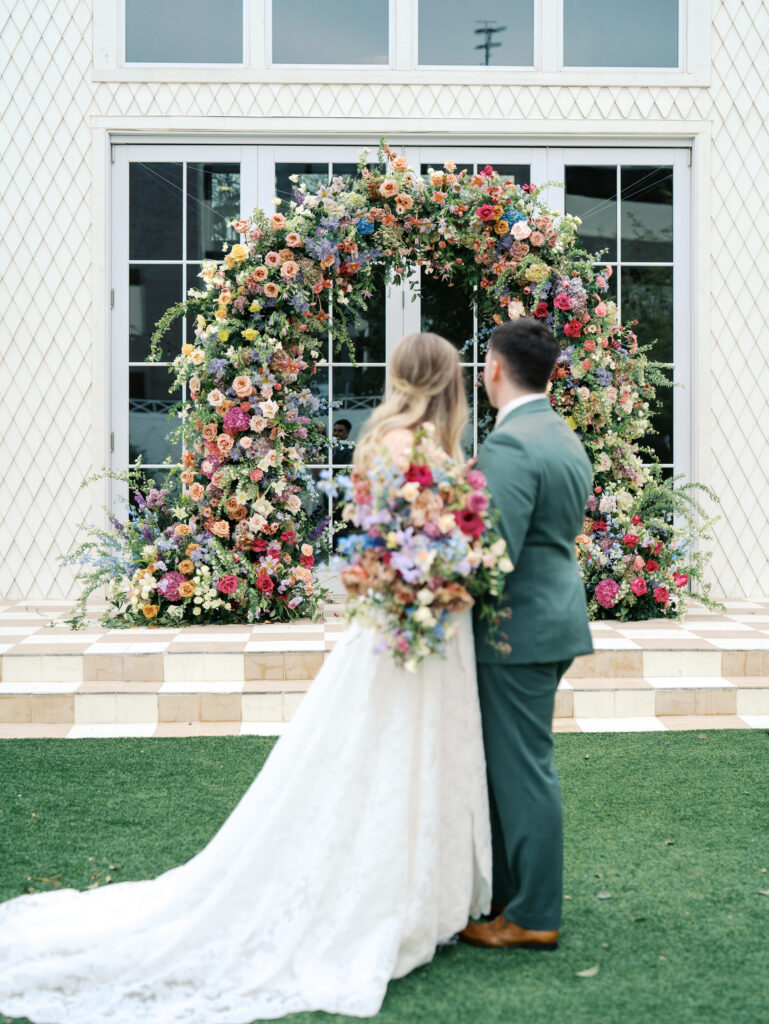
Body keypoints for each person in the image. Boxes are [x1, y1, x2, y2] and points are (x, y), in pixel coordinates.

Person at [0, 333, 492, 1024]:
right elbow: (399, 535)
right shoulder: (405, 446)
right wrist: (435, 567)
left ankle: (412, 886)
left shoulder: (392, 439)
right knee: (380, 746)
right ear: (449, 379)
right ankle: (383, 891)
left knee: (399, 748)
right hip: (404, 617)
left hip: (415, 616)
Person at [459, 318, 594, 951]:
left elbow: (492, 549)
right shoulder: (563, 436)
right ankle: (505, 899)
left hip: (517, 631)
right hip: (554, 617)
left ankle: (533, 914)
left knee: (521, 771)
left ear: (493, 370)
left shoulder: (511, 445)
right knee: (511, 765)